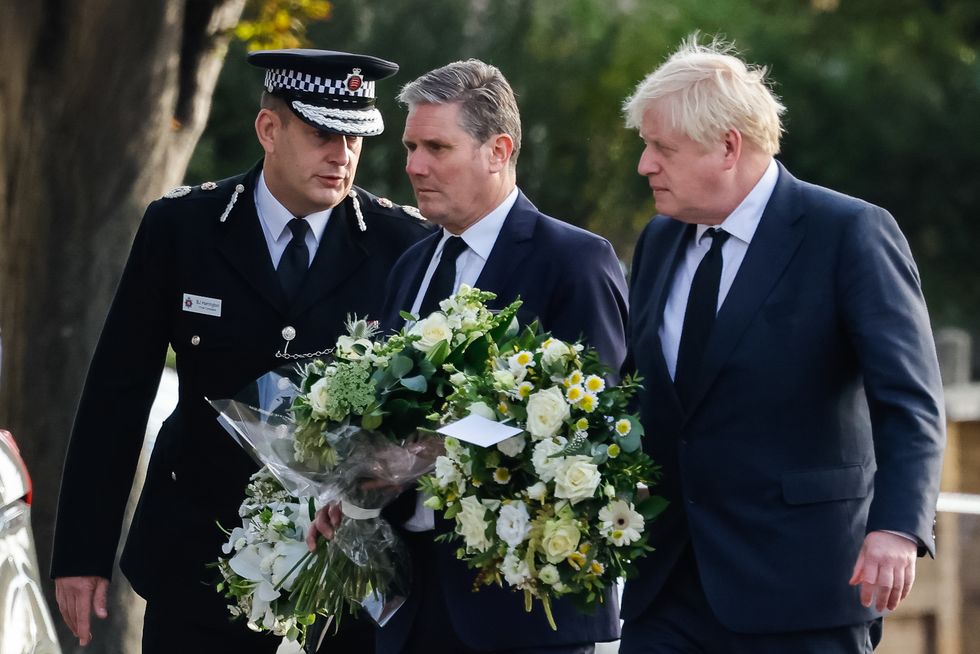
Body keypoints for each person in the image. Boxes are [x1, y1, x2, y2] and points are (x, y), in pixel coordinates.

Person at [51, 49, 432, 653]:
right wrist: (81, 554)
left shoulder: (403, 243)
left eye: (356, 137)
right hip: (197, 562)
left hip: (344, 578)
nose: (342, 155)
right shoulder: (185, 227)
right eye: (323, 133)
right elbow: (117, 395)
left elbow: (427, 416)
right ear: (269, 130)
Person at [618, 36, 946, 653]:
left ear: (727, 146)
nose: (644, 165)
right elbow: (644, 389)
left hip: (800, 585)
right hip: (665, 587)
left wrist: (899, 528)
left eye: (661, 147)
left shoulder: (848, 233)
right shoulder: (660, 240)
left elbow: (911, 402)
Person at [317, 58, 629, 654]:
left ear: (498, 150)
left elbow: (588, 426)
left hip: (521, 609)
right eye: (410, 146)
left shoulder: (574, 262)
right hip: (407, 606)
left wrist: (424, 454)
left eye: (436, 146)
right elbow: (387, 411)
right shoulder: (413, 264)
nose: (413, 165)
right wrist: (349, 483)